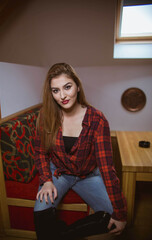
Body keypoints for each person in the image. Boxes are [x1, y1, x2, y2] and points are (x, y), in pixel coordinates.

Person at [33, 63, 127, 240]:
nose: (62, 96)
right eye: (55, 90)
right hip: (59, 173)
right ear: (51, 93)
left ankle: (64, 235)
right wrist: (46, 180)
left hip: (88, 175)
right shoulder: (46, 116)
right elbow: (39, 152)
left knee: (112, 217)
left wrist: (121, 214)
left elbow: (107, 168)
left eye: (67, 87)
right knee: (40, 214)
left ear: (77, 86)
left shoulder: (97, 120)